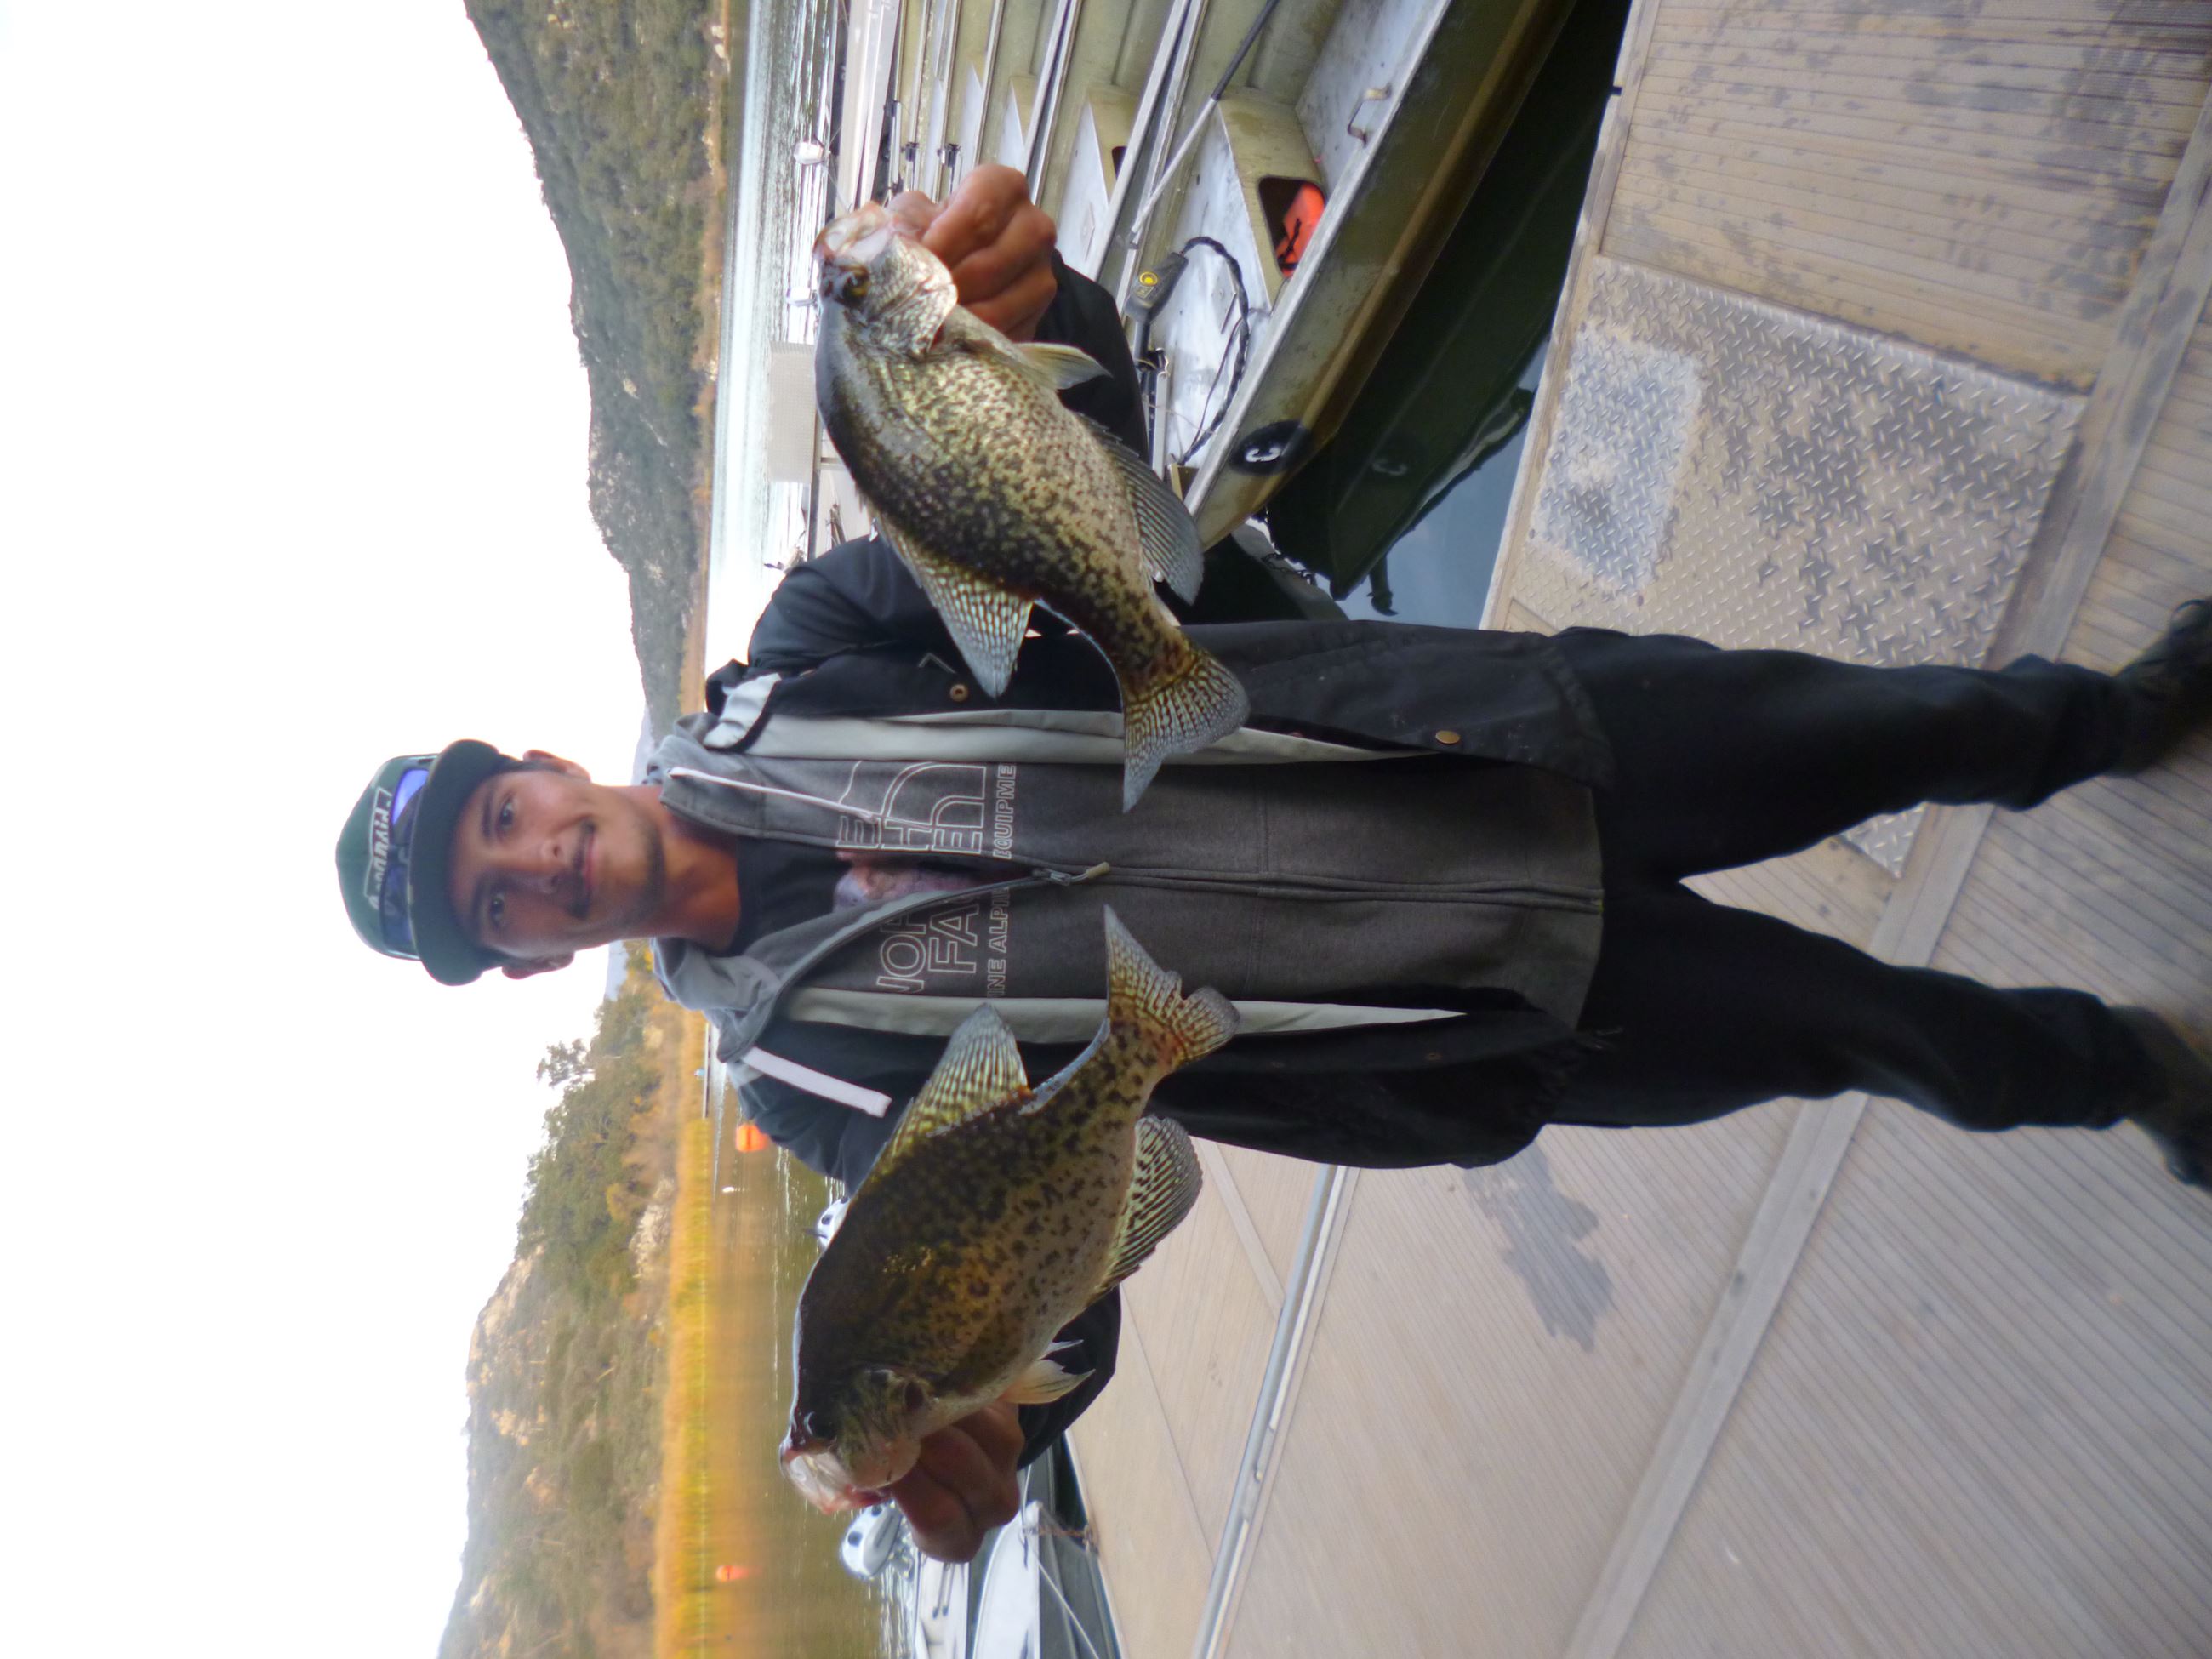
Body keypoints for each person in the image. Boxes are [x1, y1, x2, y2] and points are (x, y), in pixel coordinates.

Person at [336, 167, 2212, 1561]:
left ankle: (2112, 721)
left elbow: (1080, 501)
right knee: (1872, 1037)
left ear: (551, 769)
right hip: (1454, 1010)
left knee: (1890, 726)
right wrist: (988, 1402)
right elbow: (1067, 1242)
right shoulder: (814, 1082)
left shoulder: (815, 648)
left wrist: (1021, 304)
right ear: (522, 962)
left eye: (506, 822)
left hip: (1468, 738)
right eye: (499, 905)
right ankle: (2125, 1071)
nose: (541, 868)